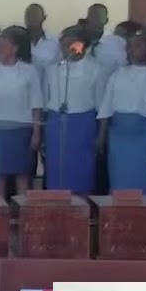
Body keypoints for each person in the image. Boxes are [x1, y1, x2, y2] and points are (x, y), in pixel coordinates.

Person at [97, 32, 146, 201]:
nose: (132, 50)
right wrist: (102, 135)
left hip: (145, 135)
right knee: (120, 180)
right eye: (129, 47)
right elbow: (106, 106)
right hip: (119, 136)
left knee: (145, 182)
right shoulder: (118, 74)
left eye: (137, 46)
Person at [0, 27, 43, 198]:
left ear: (15, 48)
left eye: (3, 45)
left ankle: (23, 216)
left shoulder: (29, 71)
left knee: (22, 175)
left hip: (21, 129)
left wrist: (36, 133)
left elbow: (36, 105)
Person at [44, 26, 102, 194]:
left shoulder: (95, 68)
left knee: (80, 167)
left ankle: (82, 207)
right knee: (57, 167)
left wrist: (101, 132)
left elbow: (101, 104)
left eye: (71, 42)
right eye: (63, 43)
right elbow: (45, 100)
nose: (66, 47)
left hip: (83, 123)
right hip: (56, 122)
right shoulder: (52, 69)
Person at [25, 4, 60, 85]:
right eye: (28, 15)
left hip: (47, 92)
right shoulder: (18, 42)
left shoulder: (55, 42)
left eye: (35, 14)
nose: (31, 17)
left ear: (44, 17)